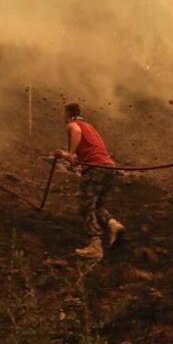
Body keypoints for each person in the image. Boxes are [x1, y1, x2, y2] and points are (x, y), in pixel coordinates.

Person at [53, 103, 125, 259]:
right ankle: (114, 225)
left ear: (68, 114)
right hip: (109, 167)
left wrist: (69, 154)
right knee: (97, 206)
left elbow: (75, 132)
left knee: (85, 207)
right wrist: (68, 155)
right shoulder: (89, 127)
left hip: (95, 168)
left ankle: (95, 246)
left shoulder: (74, 124)